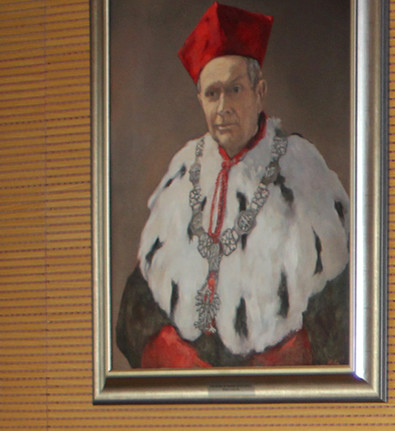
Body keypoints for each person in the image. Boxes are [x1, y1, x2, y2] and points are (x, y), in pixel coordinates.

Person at [114, 3, 350, 368]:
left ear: (260, 92)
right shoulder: (182, 170)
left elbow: (342, 306)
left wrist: (287, 363)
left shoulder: (303, 169)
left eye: (235, 89)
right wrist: (169, 354)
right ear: (200, 101)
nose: (223, 107)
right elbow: (136, 308)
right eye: (212, 94)